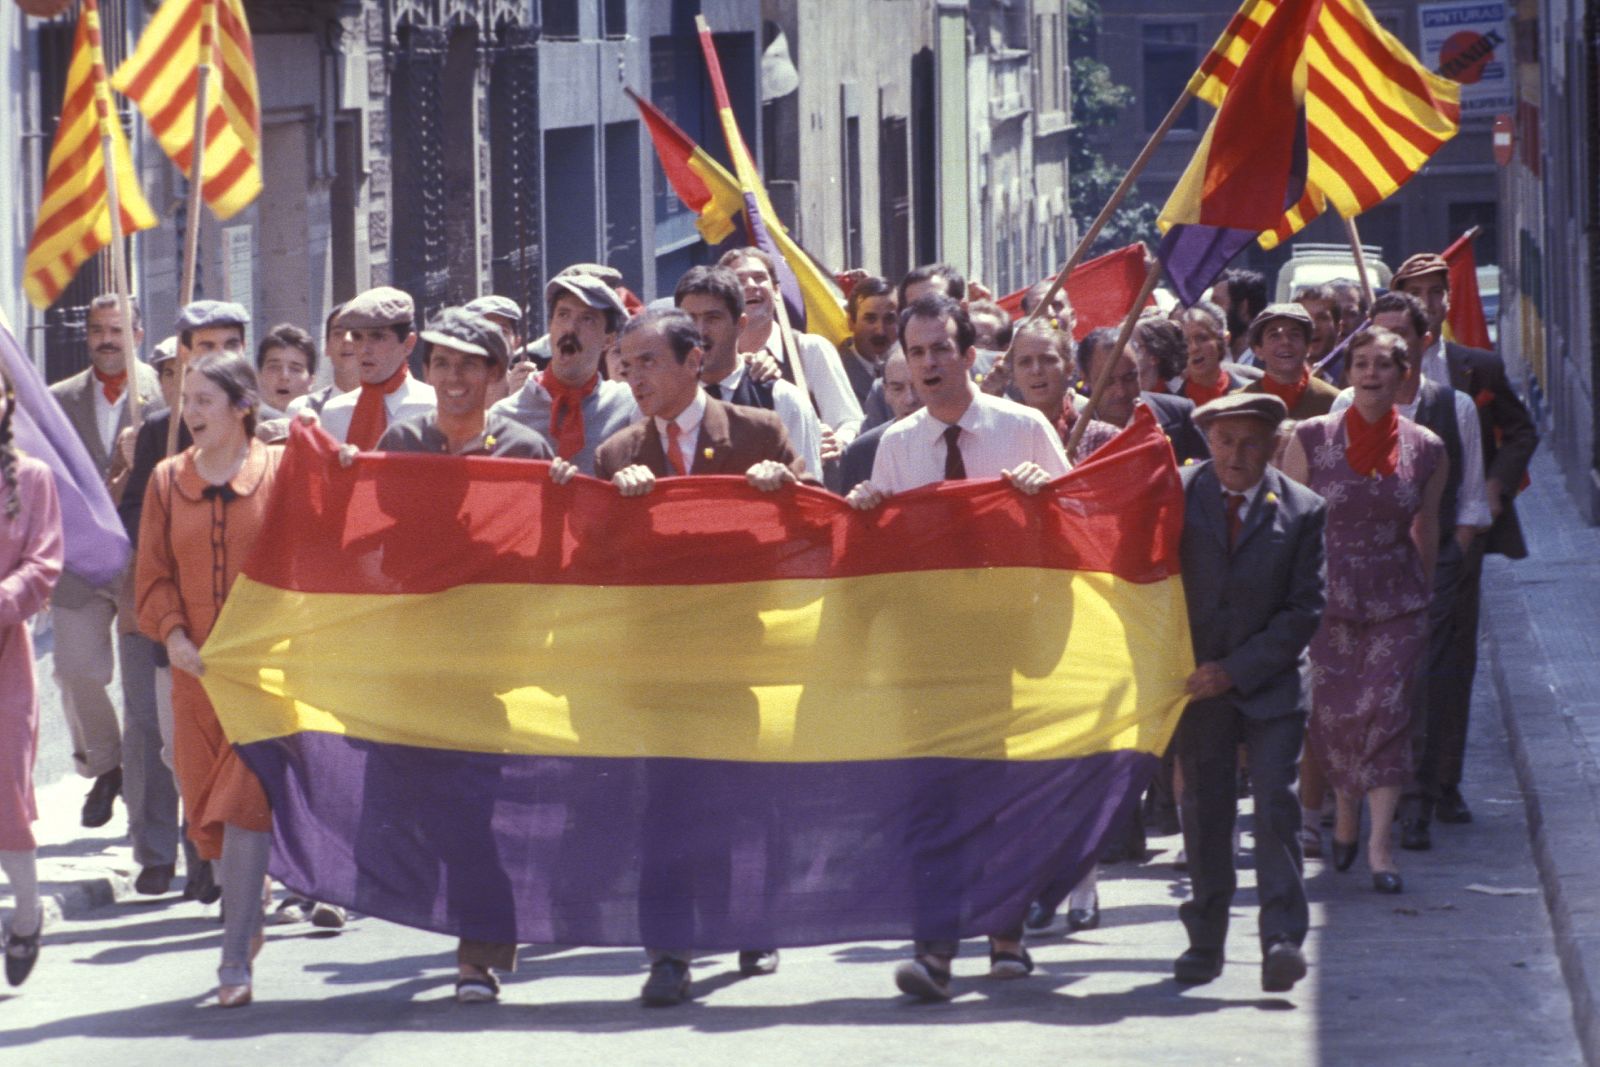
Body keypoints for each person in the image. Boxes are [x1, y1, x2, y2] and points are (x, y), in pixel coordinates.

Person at [845, 293, 1068, 1000]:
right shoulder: (896, 444)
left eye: (943, 348)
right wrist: (862, 515)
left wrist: (1044, 496)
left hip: (1003, 645)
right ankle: (935, 951)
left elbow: (1076, 524)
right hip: (924, 651)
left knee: (999, 793)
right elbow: (873, 561)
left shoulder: (1024, 428)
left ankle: (1006, 937)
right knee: (932, 801)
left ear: (972, 355)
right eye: (917, 352)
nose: (931, 363)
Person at [580, 308, 805, 1006]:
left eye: (647, 361)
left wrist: (783, 489)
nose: (631, 375)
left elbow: (808, 530)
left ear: (695, 361)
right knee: (663, 808)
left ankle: (752, 920)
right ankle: (670, 950)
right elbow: (598, 563)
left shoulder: (755, 434)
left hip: (736, 654)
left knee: (741, 797)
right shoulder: (618, 454)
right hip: (657, 663)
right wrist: (615, 511)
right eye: (625, 361)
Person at [348, 308, 550, 1003]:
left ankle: (479, 952)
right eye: (442, 362)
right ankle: (470, 917)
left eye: (470, 363)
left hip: (487, 664)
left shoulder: (524, 451)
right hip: (412, 658)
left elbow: (542, 554)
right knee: (412, 808)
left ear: (496, 374)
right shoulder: (401, 441)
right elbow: (376, 540)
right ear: (427, 371)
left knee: (469, 808)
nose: (454, 376)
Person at [136, 350, 286, 1006]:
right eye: (186, 399)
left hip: (264, 677)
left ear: (241, 406)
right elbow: (152, 572)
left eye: (203, 400)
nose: (189, 411)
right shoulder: (167, 482)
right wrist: (173, 633)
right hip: (194, 678)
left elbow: (312, 558)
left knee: (247, 801)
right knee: (208, 818)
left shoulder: (281, 471)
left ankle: (233, 958)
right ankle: (247, 906)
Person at [1281, 326, 1448, 895]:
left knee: (1389, 707)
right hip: (1328, 595)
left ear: (1404, 376)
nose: (1371, 375)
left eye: (1383, 365)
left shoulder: (1427, 447)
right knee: (1334, 714)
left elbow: (1427, 526)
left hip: (1396, 597)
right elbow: (1290, 525)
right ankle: (1344, 806)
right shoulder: (1310, 436)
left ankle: (1379, 846)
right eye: (1360, 364)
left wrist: (1423, 594)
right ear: (1347, 374)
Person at [1170, 392, 1326, 992]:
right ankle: (1204, 943)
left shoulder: (1304, 509)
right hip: (1196, 682)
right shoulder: (1177, 496)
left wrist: (1235, 669)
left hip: (1270, 684)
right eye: (1225, 440)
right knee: (1205, 811)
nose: (1237, 454)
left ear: (1273, 445)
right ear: (1208, 442)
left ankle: (1282, 940)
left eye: (1251, 441)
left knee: (1276, 808)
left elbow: (1303, 609)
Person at [1328, 292, 1491, 853]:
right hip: (1353, 572)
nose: (1379, 364)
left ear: (1418, 347)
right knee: (1356, 690)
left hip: (1428, 566)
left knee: (1416, 686)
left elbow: (1469, 503)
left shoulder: (1454, 408)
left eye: (1396, 343)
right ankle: (1353, 801)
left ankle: (1419, 802)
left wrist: (1448, 560)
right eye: (1370, 349)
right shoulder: (1340, 410)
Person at [1390, 252, 1539, 828]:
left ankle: (1443, 782)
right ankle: (1393, 780)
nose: (1429, 303)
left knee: (1451, 660)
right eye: (1416, 292)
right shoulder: (1373, 371)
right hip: (1391, 540)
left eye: (1437, 293)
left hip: (1462, 535)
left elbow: (1521, 428)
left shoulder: (1474, 368)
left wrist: (1496, 485)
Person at [47, 295, 174, 892]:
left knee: (149, 703)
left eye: (116, 330)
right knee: (76, 670)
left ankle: (154, 817)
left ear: (138, 333)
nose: (104, 340)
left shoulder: (166, 390)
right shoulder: (58, 398)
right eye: (96, 330)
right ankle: (105, 765)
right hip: (80, 563)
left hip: (143, 565)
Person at [0, 363, 65, 988]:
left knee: (5, 788)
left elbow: (43, 564)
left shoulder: (34, 480)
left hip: (5, 655)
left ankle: (25, 912)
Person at [675, 266, 825, 479]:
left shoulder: (784, 401)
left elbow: (810, 493)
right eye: (690, 318)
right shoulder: (663, 403)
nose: (700, 331)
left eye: (713, 318)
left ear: (740, 324)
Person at [489, 271, 638, 476]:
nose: (570, 328)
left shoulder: (628, 407)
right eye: (563, 315)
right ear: (550, 326)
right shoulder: (505, 416)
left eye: (587, 319)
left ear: (608, 340)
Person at [719, 247, 863, 448]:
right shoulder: (715, 364)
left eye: (759, 278)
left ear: (777, 290)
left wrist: (840, 441)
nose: (751, 286)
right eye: (739, 281)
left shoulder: (810, 350)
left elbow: (850, 421)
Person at [318, 287, 435, 448]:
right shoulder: (334, 412)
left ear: (408, 344)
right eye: (357, 337)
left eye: (378, 337)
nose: (364, 349)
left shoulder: (433, 407)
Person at [1073, 327, 1209, 465]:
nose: (1121, 392)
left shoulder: (1177, 414)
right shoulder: (1074, 435)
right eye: (1108, 382)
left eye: (1129, 377)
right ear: (1086, 379)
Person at [839, 345, 920, 495]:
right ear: (886, 393)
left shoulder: (956, 438)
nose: (910, 399)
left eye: (918, 386)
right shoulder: (860, 455)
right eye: (897, 388)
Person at [1240, 303, 1341, 421]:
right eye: (1274, 336)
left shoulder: (1334, 401)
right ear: (1258, 350)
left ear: (1308, 346)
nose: (1285, 342)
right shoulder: (1239, 402)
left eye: (1294, 335)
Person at [1170, 301, 1258, 406]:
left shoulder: (1252, 395)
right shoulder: (1171, 409)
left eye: (1202, 338)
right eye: (1186, 341)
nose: (1194, 348)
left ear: (1223, 340)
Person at [285, 304, 358, 420]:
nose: (347, 340)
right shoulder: (302, 408)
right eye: (338, 333)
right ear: (327, 347)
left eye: (356, 334)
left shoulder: (389, 407)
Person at [838, 276, 898, 404]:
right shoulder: (836, 372)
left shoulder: (909, 368)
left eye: (889, 319)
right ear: (851, 322)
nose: (880, 330)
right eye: (870, 319)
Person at [254, 324, 317, 420]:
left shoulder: (325, 421)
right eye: (274, 367)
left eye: (295, 369)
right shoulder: (242, 426)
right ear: (258, 376)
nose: (284, 376)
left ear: (311, 381)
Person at [1212, 268, 1268, 365]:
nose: (1210, 312)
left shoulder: (1269, 364)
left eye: (1217, 304)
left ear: (1243, 308)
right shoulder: (1215, 363)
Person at [1293, 284, 1342, 368]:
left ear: (1338, 326)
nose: (1313, 326)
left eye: (1322, 318)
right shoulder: (1280, 375)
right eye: (1305, 317)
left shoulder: (1352, 375)